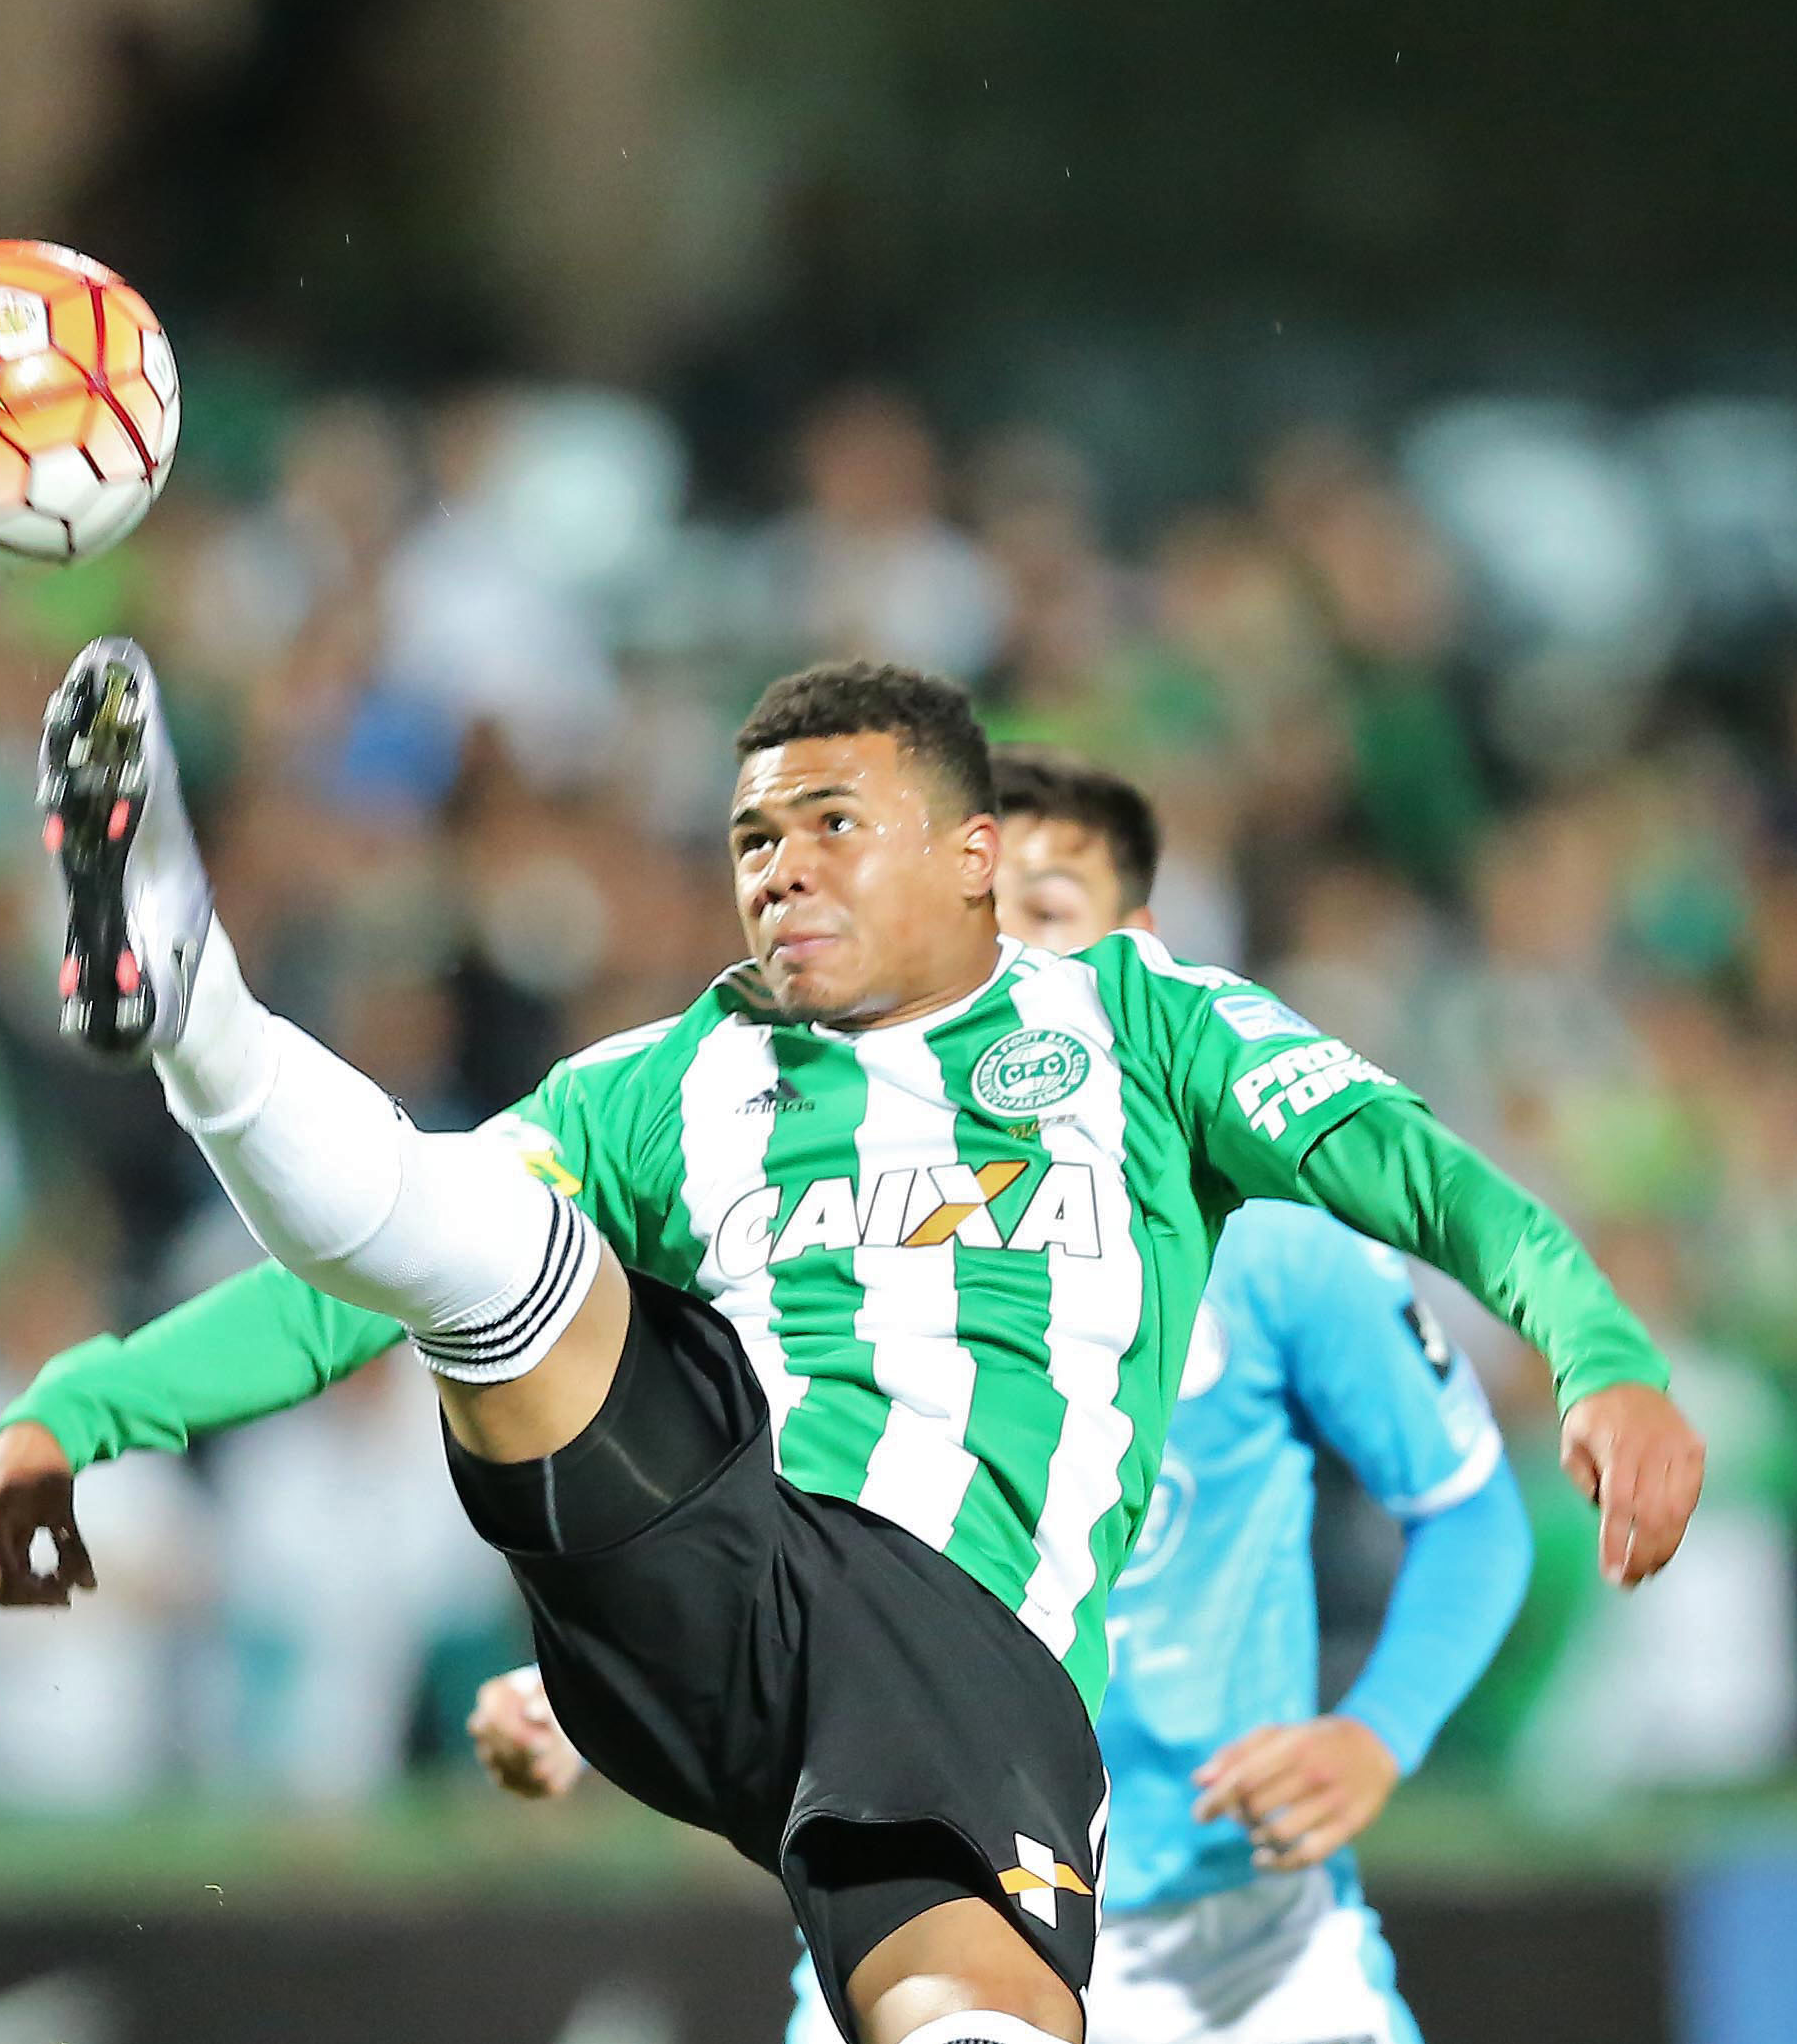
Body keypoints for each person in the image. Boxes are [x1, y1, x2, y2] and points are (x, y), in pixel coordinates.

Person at [0, 644, 1702, 2044]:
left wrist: (1598, 1343)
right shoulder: (671, 1081)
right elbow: (356, 1274)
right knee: (478, 1252)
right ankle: (192, 1001)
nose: (777, 866)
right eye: (750, 839)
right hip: (715, 1551)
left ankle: (205, 1012)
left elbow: (1412, 1165)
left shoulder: (1137, 1025)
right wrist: (82, 1408)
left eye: (828, 824)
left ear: (971, 858)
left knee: (964, 2018)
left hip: (958, 1658)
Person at [472, 745, 1534, 2044]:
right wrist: (589, 1691)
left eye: (1045, 923)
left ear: (1141, 949)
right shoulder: (817, 1236)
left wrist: (1377, 1731)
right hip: (927, 1894)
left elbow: (1472, 1510)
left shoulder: (1280, 1243)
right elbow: (744, 1550)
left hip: (1244, 1959)